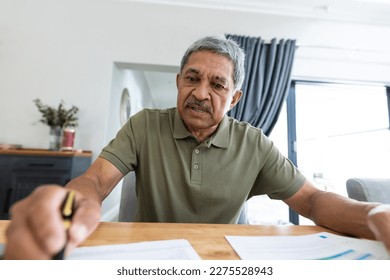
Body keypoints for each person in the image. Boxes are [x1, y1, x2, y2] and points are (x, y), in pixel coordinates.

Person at [4, 35, 390, 259]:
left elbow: (311, 200)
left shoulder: (253, 142)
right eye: (192, 78)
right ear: (178, 82)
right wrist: (69, 208)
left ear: (235, 98)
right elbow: (95, 182)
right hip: (148, 261)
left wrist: (373, 214)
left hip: (221, 263)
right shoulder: (144, 125)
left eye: (217, 85)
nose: (201, 93)